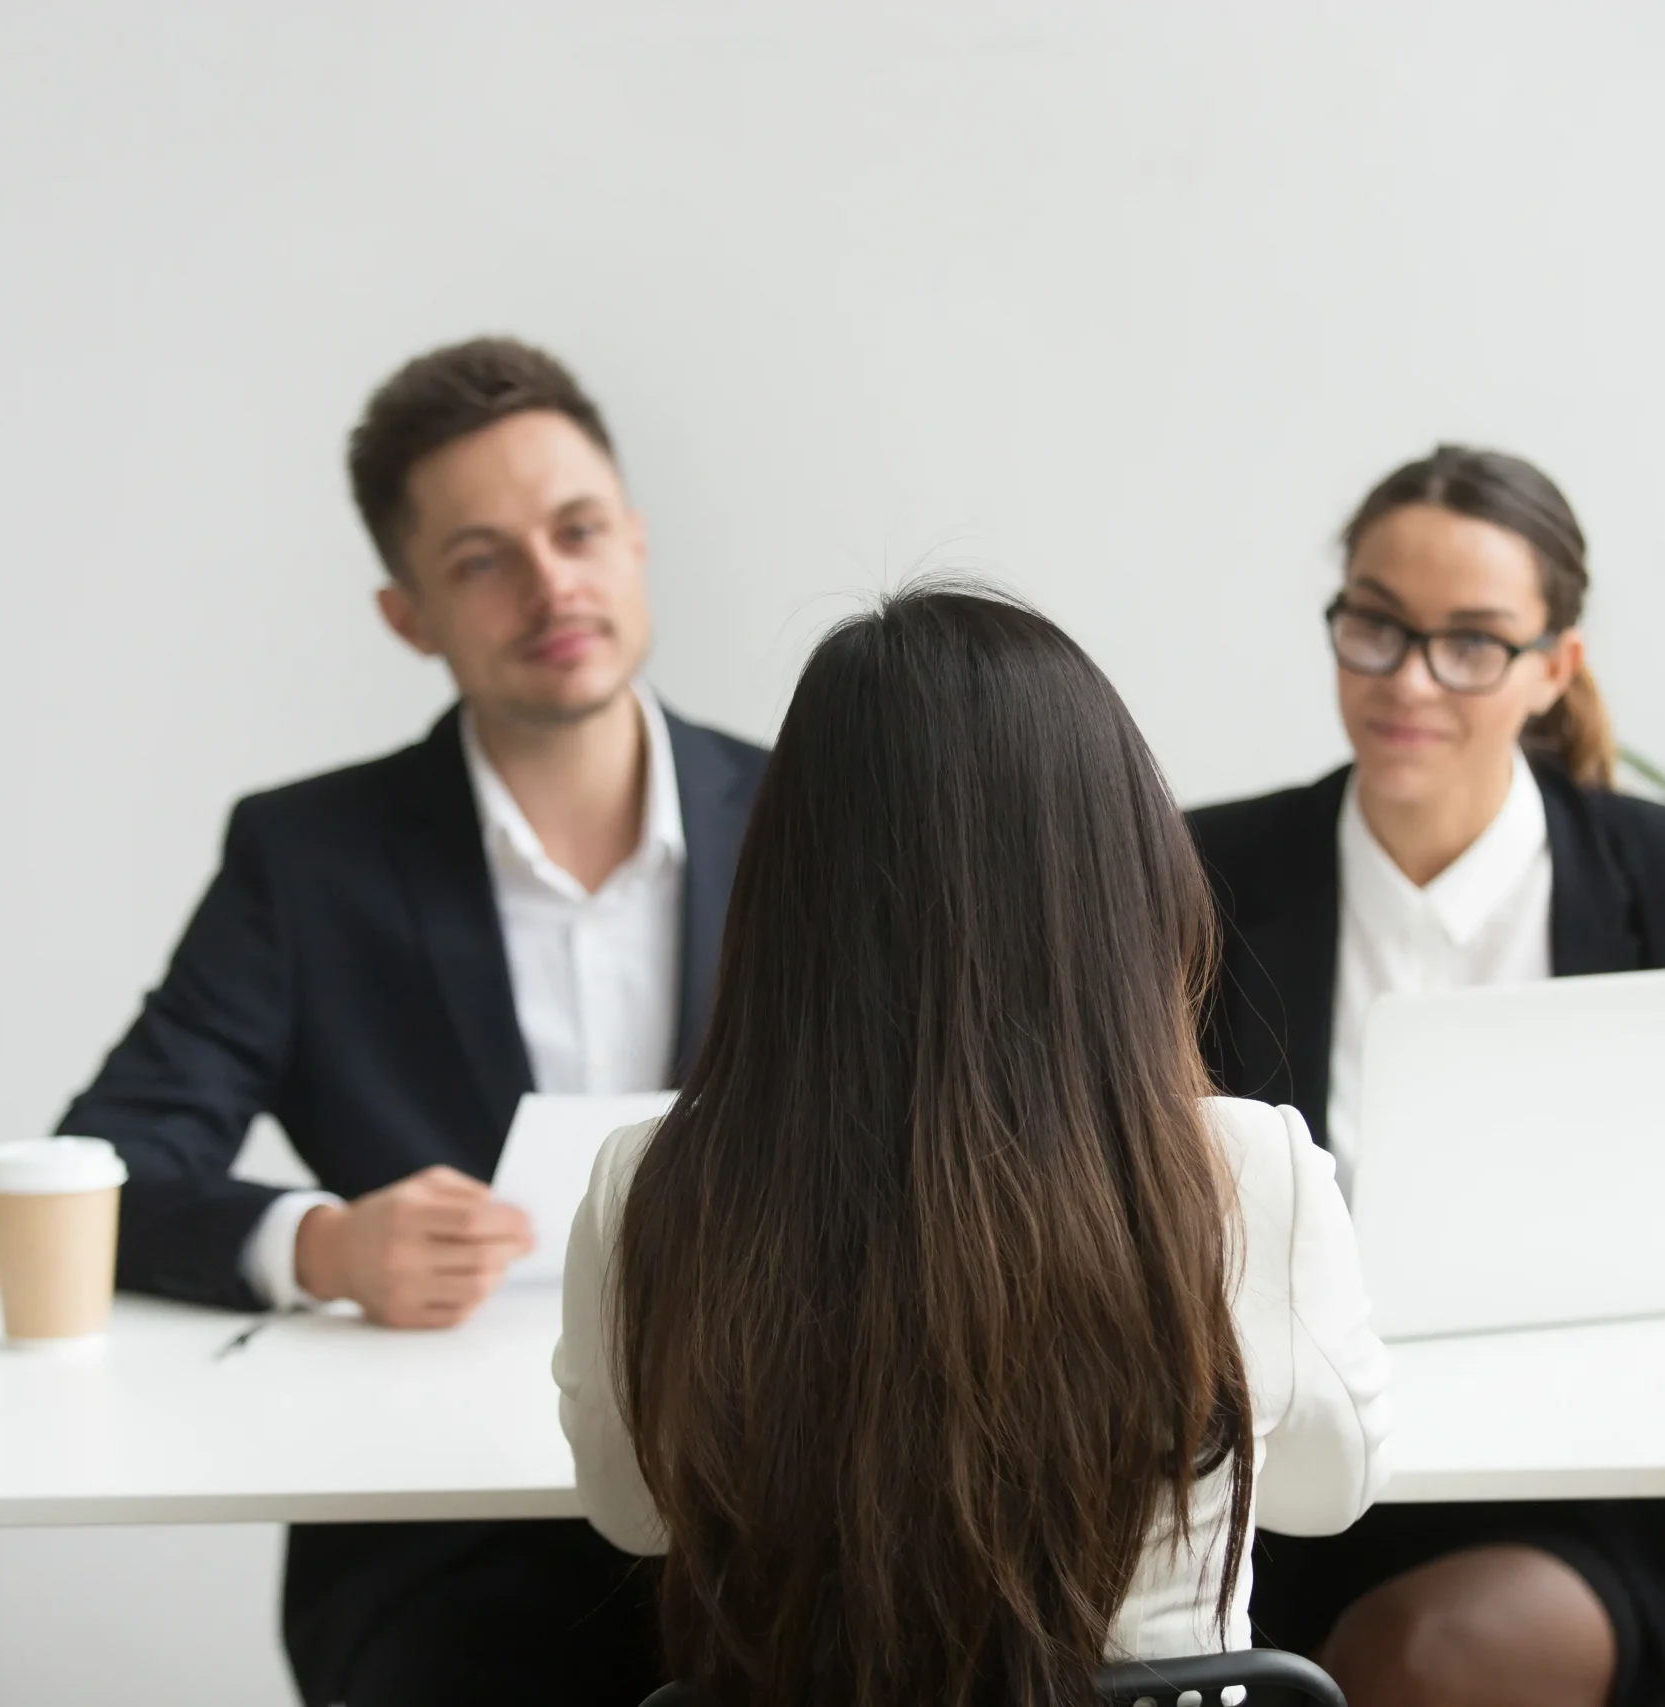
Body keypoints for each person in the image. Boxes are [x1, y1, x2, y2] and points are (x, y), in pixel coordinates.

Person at [57, 337, 766, 1707]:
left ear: (635, 540)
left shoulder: (813, 814)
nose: (551, 584)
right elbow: (108, 1163)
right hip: (442, 1537)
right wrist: (321, 1240)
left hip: (772, 1497)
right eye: (484, 558)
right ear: (407, 614)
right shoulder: (306, 857)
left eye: (577, 531)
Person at [1190, 446, 1665, 1707]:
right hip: (1302, 1482)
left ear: (1555, 668)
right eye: (1375, 626)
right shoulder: (1214, 873)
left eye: (1472, 642)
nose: (1410, 679)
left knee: (1417, 1666)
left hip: (1607, 1484)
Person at [553, 585, 1395, 1706]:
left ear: (786, 887)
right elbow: (1328, 1493)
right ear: (1117, 875)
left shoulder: (652, 1181)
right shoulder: (1244, 1172)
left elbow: (633, 1510)